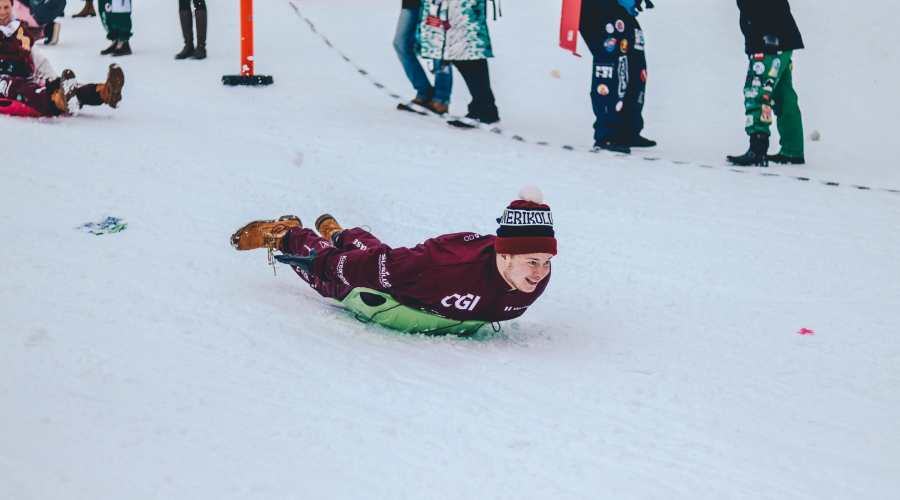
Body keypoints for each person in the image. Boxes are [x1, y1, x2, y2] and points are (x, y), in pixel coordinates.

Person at [230, 186, 556, 326]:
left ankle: (341, 234)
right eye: (532, 261)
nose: (541, 272)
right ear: (506, 256)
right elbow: (380, 267)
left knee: (385, 256)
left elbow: (387, 259)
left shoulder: (530, 276)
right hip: (392, 297)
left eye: (546, 261)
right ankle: (286, 234)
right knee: (336, 280)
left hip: (407, 272)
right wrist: (319, 264)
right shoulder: (445, 265)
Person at [1, 0, 124, 117]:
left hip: (24, 75)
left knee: (56, 84)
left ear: (12, 8)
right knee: (25, 90)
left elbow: (36, 57)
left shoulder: (20, 31)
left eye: (6, 7)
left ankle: (102, 92)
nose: (3, 12)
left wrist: (53, 80)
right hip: (3, 80)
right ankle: (59, 100)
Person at [727, 0, 805, 167]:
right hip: (781, 38)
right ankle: (793, 149)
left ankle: (757, 149)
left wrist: (766, 38)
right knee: (783, 94)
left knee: (757, 92)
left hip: (768, 40)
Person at [580, 0, 655, 154]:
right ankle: (606, 134)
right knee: (611, 74)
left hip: (623, 12)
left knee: (635, 71)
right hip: (602, 10)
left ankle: (628, 130)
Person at [417, 0, 499, 127]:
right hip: (445, 7)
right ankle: (487, 108)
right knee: (456, 52)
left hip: (461, 6)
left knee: (469, 50)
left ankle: (481, 110)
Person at [394, 0, 451, 115]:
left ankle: (441, 98)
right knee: (401, 43)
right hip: (411, 3)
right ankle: (424, 92)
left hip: (437, 4)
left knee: (439, 44)